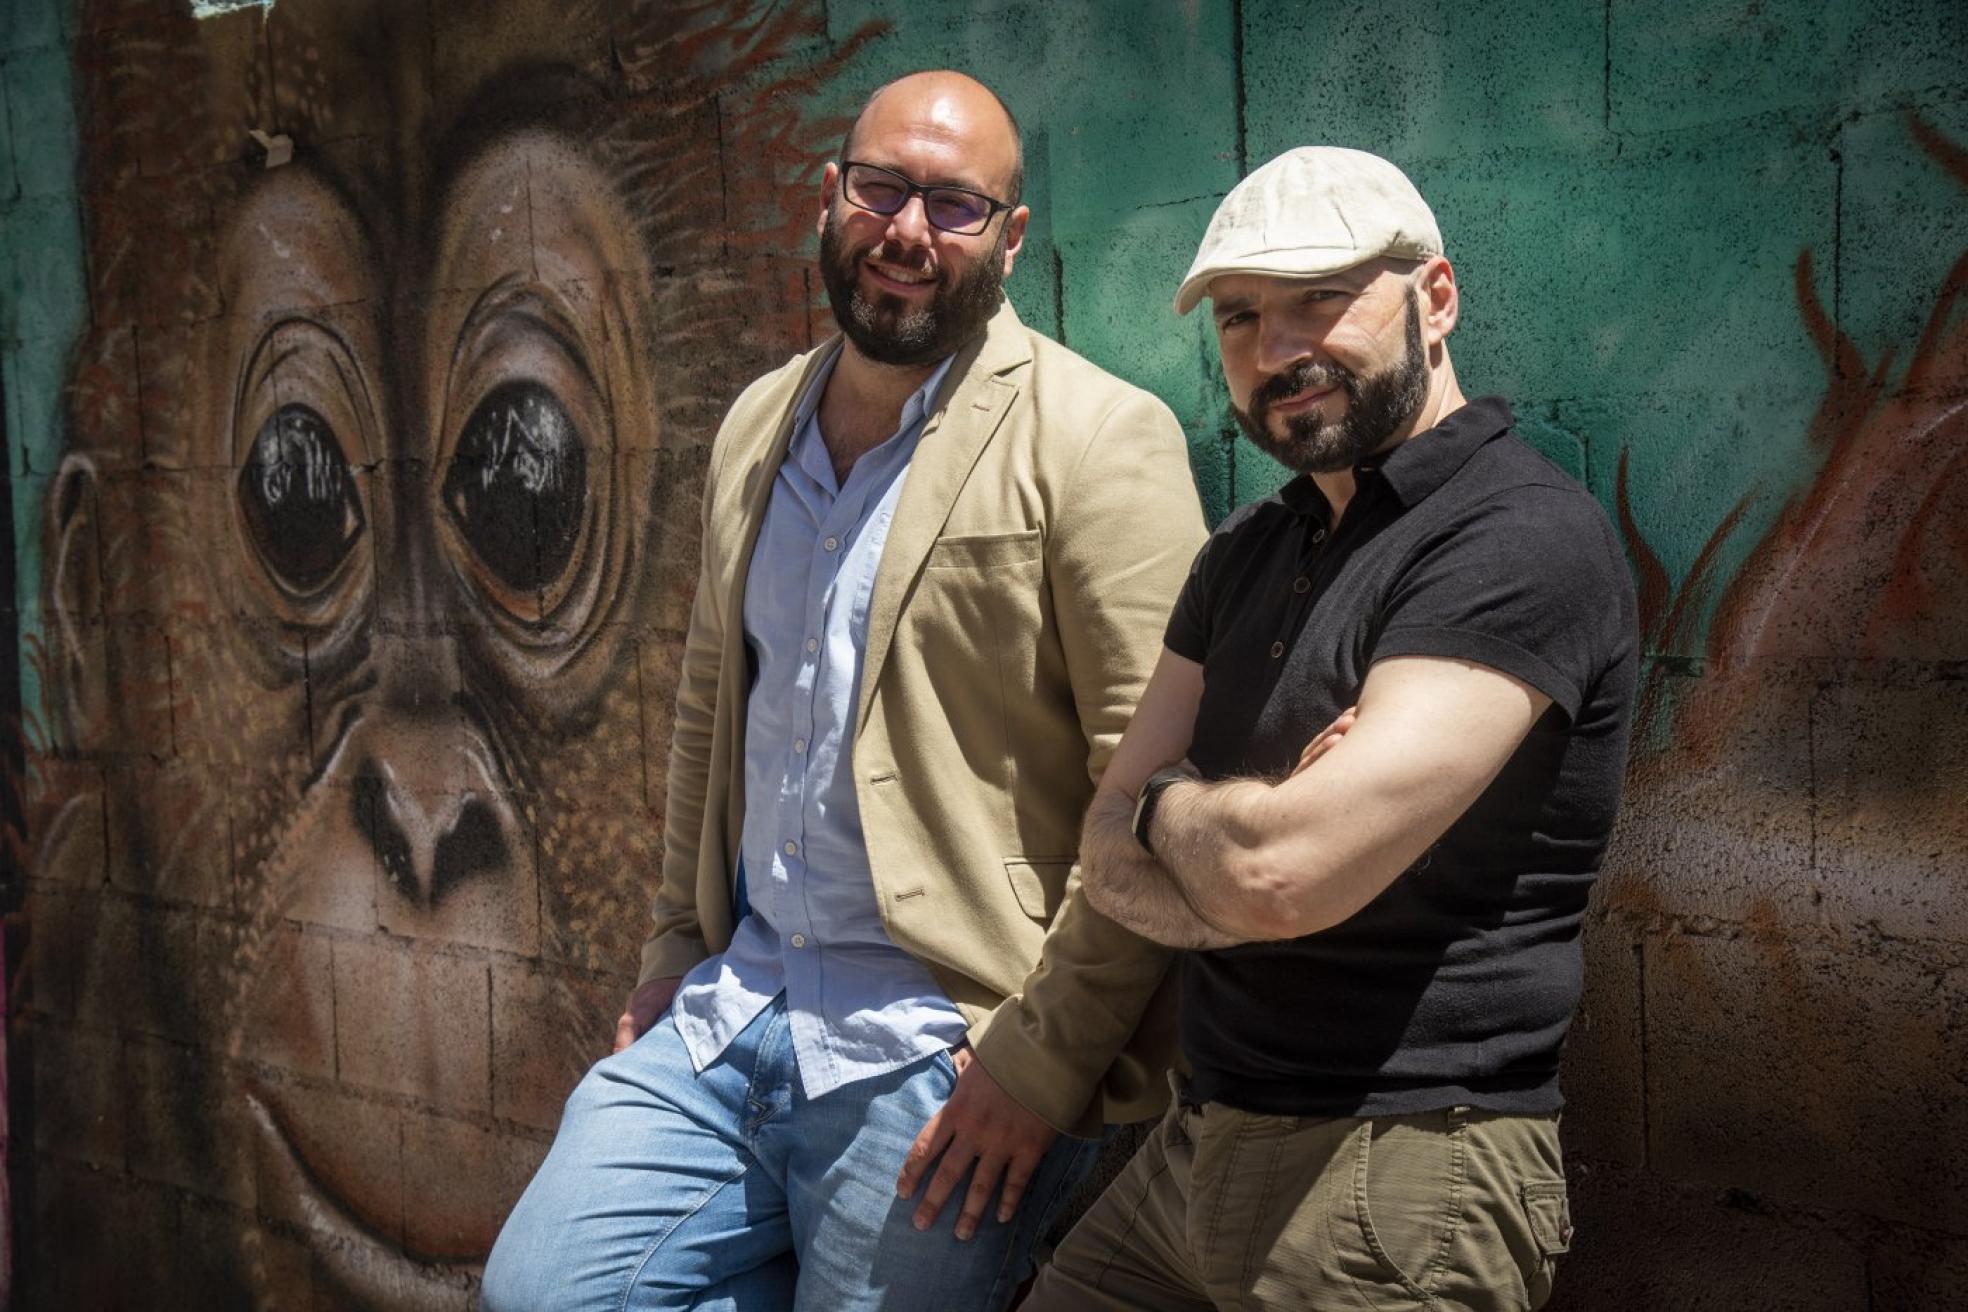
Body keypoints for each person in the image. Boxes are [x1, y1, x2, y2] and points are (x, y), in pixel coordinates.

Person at [483, 70, 1205, 1311]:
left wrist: (1038, 1064)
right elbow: (714, 711)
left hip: (947, 1052)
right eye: (882, 189)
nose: (909, 231)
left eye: (956, 205)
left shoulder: (1097, 439)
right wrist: (671, 948)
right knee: (538, 1292)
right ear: (831, 200)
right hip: (735, 1007)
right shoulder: (759, 422)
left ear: (1012, 236)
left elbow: (1152, 800)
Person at [1022, 147, 1638, 1312]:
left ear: (1436, 297)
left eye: (1321, 300)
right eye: (1243, 317)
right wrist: (1211, 839)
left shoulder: (1515, 539)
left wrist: (1178, 811)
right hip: (1193, 1145)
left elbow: (1274, 870)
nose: (1277, 349)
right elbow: (1106, 849)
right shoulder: (1245, 552)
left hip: (1398, 1166)